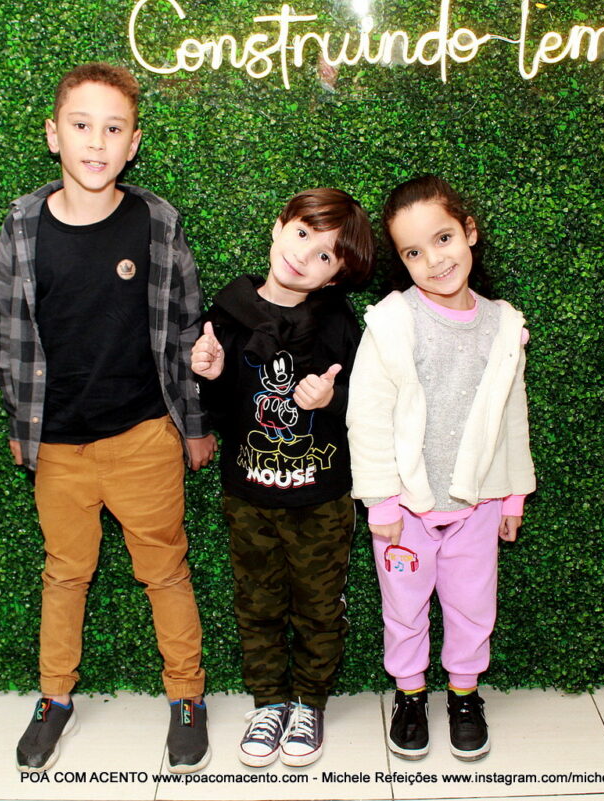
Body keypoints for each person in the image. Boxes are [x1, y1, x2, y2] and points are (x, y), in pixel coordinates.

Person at [0, 62, 216, 775]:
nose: (97, 142)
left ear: (134, 143)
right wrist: (21, 426)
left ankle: (187, 696)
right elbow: (8, 336)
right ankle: (54, 697)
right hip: (58, 446)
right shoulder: (23, 226)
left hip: (144, 436)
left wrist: (196, 424)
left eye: (113, 129)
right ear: (53, 134)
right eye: (82, 125)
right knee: (65, 574)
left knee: (166, 571)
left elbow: (185, 330)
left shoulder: (157, 223)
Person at [346, 174, 536, 763]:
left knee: (473, 605)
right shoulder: (392, 323)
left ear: (469, 232)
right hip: (405, 508)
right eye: (413, 252)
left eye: (444, 238)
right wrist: (380, 500)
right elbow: (367, 416)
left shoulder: (503, 326)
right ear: (401, 261)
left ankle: (463, 695)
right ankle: (409, 695)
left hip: (477, 503)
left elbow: (512, 415)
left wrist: (512, 495)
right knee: (404, 608)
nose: (434, 260)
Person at [191, 189, 375, 767]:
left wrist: (330, 399)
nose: (304, 256)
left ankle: (310, 703)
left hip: (321, 497)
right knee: (258, 603)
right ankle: (269, 702)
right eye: (301, 234)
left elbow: (370, 403)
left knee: (319, 606)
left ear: (334, 277)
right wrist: (211, 377)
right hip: (249, 495)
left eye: (325, 255)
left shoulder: (338, 321)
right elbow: (223, 415)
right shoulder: (228, 311)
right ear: (278, 228)